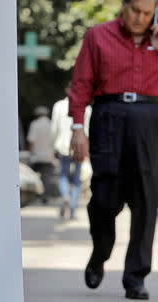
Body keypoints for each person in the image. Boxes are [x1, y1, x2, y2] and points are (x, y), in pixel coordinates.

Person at [68, 0, 158, 300]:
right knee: (104, 198)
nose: (140, 18)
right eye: (135, 10)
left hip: (149, 120)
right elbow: (81, 83)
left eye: (147, 13)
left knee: (146, 201)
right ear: (124, 6)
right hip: (108, 115)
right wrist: (77, 127)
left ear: (155, 13)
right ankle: (100, 253)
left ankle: (135, 278)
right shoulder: (98, 36)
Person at [51, 87, 91, 219]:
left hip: (63, 146)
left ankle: (65, 196)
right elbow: (88, 130)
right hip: (79, 147)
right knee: (76, 179)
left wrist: (54, 145)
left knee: (63, 174)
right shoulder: (87, 108)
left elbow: (54, 128)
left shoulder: (58, 106)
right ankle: (72, 207)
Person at [27, 106, 55, 199]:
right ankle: (45, 196)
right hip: (48, 155)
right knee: (46, 177)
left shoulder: (34, 124)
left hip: (37, 156)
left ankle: (37, 195)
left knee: (36, 176)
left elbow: (31, 141)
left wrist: (30, 153)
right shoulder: (51, 124)